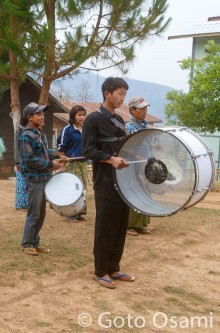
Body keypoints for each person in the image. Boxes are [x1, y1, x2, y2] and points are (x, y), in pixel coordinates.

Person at [82, 77, 135, 289]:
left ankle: (114, 267)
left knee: (121, 224)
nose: (123, 98)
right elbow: (88, 150)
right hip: (104, 180)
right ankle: (101, 271)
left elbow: (123, 148)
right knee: (105, 226)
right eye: (120, 93)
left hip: (122, 181)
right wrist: (111, 159)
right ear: (107, 93)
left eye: (124, 94)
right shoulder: (93, 120)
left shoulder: (120, 121)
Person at [19, 102, 67, 256]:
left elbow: (45, 154)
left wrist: (58, 158)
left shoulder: (41, 134)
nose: (42, 117)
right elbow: (29, 159)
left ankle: (35, 242)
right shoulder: (26, 136)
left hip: (44, 178)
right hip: (34, 179)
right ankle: (27, 244)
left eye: (43, 114)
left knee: (41, 213)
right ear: (29, 117)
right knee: (34, 213)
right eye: (38, 114)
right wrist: (49, 164)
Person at [125, 96, 152, 236]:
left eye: (145, 108)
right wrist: (137, 157)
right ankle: (129, 225)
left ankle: (141, 224)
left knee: (144, 191)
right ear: (132, 110)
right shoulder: (128, 127)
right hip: (133, 165)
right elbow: (127, 148)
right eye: (141, 109)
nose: (144, 111)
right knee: (133, 192)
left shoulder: (145, 125)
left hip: (145, 163)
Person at [57, 105, 89, 222]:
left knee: (83, 187)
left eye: (83, 115)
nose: (82, 117)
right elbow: (61, 147)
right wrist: (62, 163)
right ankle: (70, 214)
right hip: (71, 163)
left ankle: (80, 212)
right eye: (79, 115)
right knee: (73, 188)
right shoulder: (68, 130)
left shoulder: (85, 130)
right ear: (73, 116)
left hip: (82, 163)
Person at [14, 124, 29, 211]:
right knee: (22, 183)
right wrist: (17, 162)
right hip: (21, 160)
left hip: (30, 161)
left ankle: (28, 204)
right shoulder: (19, 130)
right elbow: (16, 146)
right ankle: (21, 205)